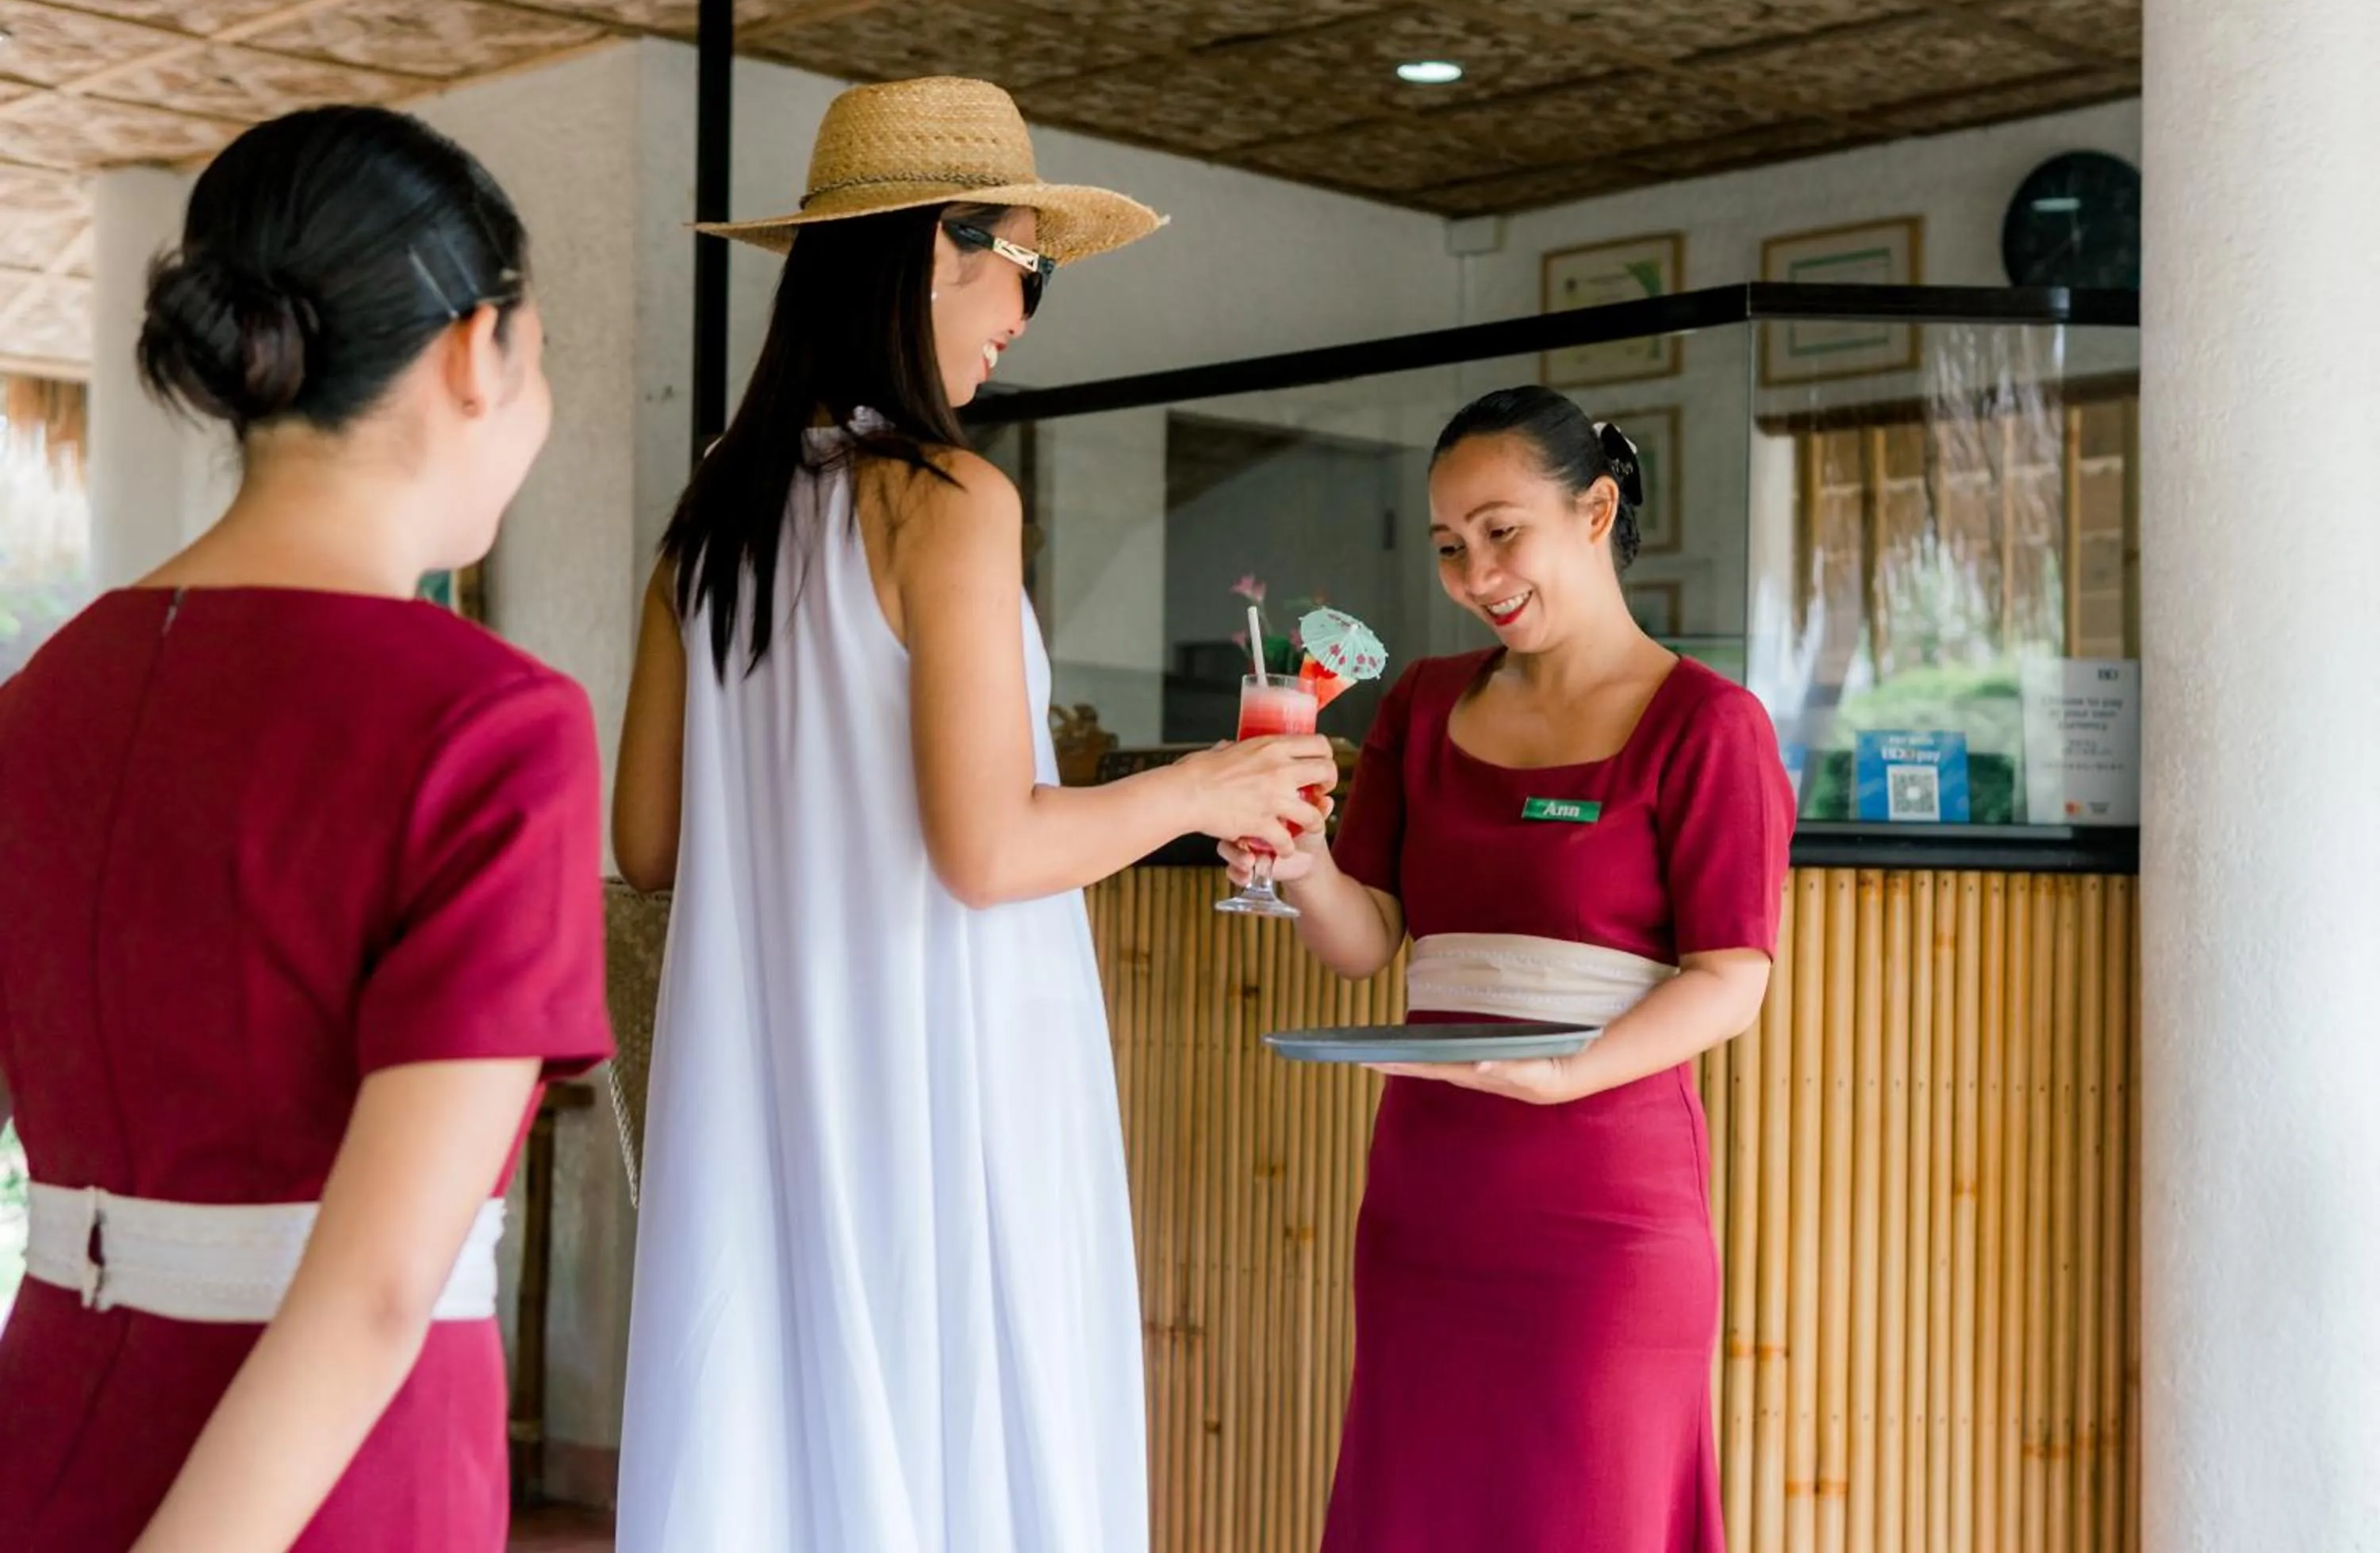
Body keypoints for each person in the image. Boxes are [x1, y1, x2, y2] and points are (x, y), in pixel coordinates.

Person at [610, 76, 1337, 1553]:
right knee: (985, 1454)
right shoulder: (945, 496)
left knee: (785, 1452)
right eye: (1029, 263)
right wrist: (1211, 784)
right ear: (941, 244)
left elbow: (648, 845)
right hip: (945, 1065)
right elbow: (992, 852)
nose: (1024, 310)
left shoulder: (715, 516)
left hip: (764, 1087)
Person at [0, 105, 612, 1551]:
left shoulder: (41, 695)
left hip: (49, 1420)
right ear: (479, 350)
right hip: (331, 1482)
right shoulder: (494, 724)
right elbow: (380, 1284)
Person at [1222, 386, 1794, 1551]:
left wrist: (1568, 1079)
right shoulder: (1424, 707)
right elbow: (1369, 943)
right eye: (1446, 546)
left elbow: (1732, 974)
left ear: (1593, 511)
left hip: (1607, 1211)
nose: (1476, 572)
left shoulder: (1710, 724)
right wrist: (1304, 862)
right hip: (1430, 1197)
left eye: (1499, 530)